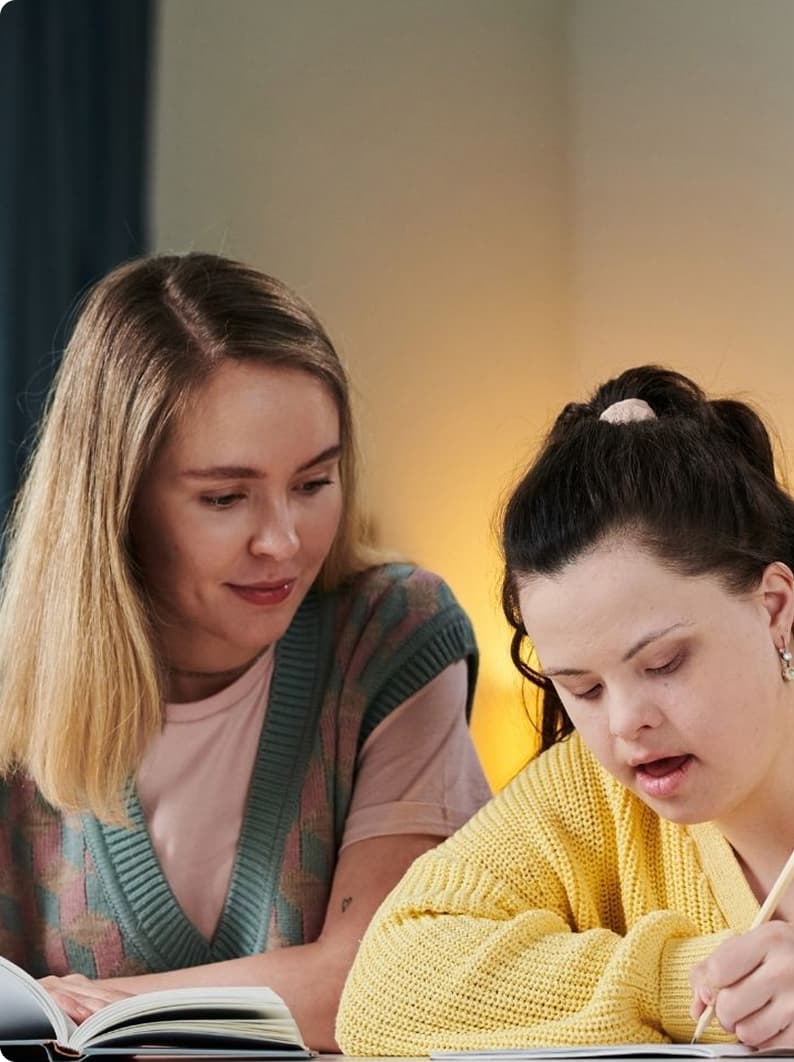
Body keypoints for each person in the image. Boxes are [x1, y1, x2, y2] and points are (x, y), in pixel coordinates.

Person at [336, 365, 794, 1054]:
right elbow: (386, 988)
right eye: (583, 688)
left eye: (663, 664)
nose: (625, 722)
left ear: (772, 606)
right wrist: (693, 982)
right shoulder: (594, 790)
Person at [0, 252, 492, 1052]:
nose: (284, 542)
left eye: (313, 482)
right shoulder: (12, 684)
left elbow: (375, 977)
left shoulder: (392, 630)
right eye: (225, 498)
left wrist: (91, 1003)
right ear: (116, 503)